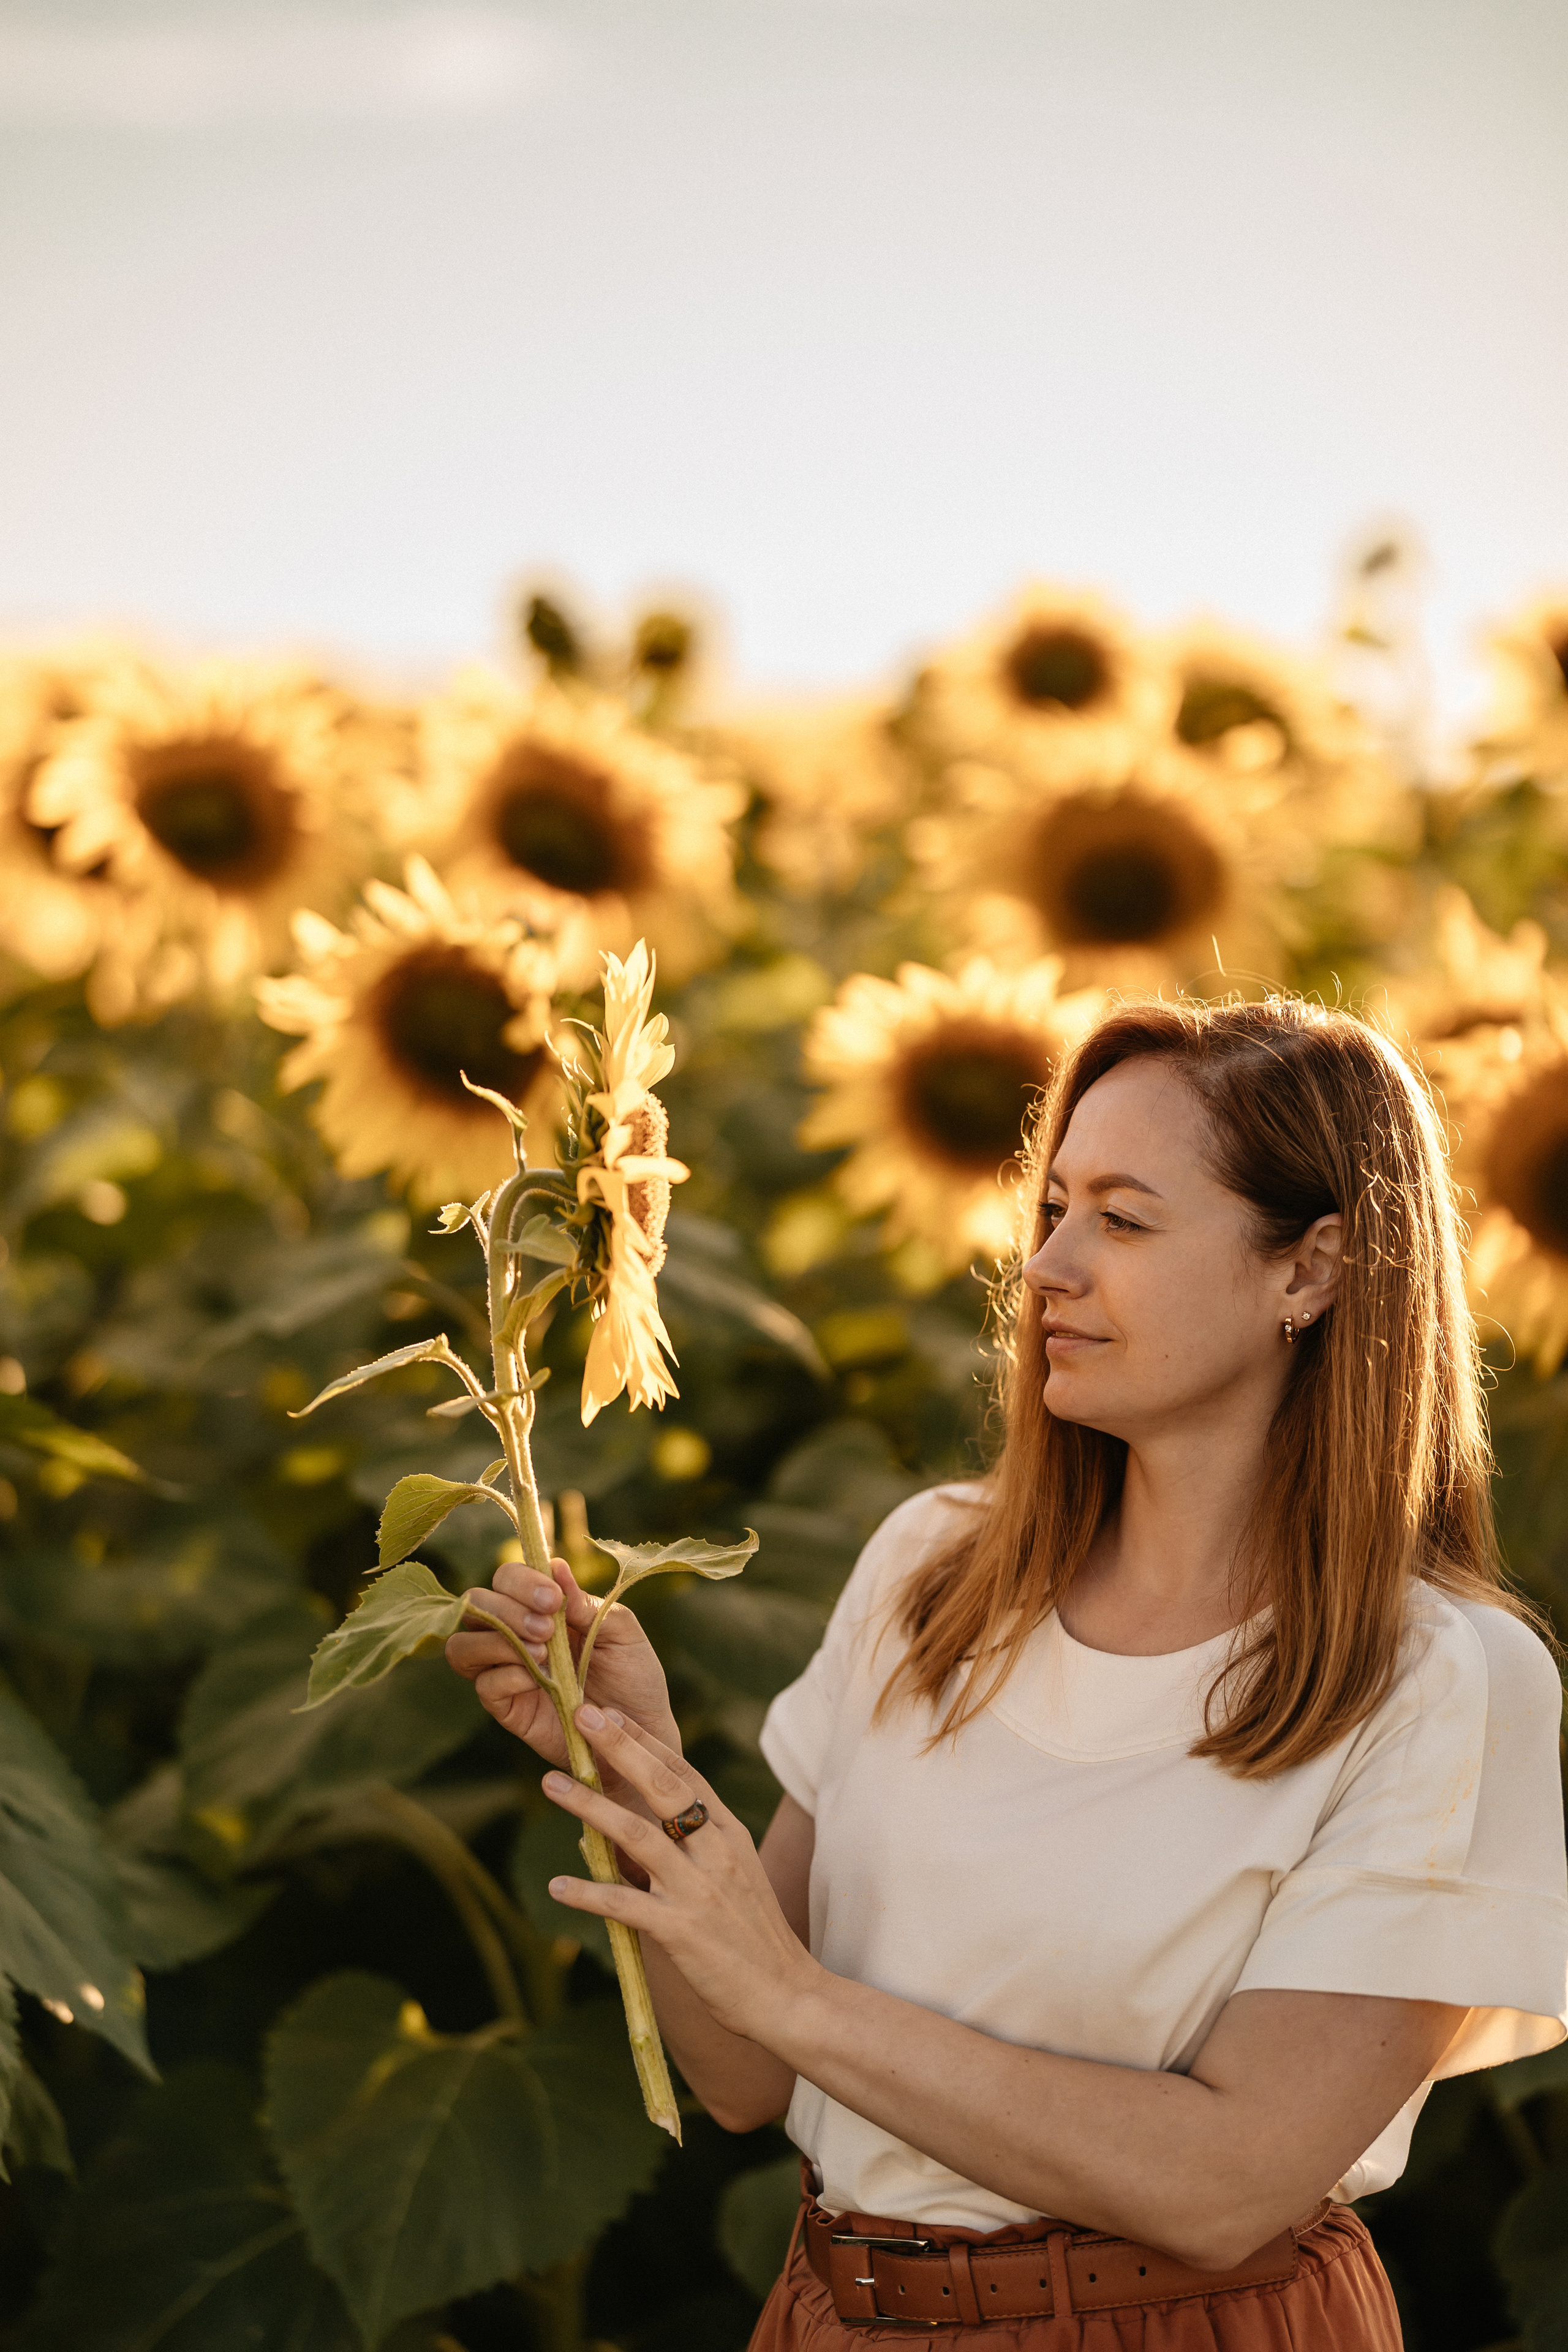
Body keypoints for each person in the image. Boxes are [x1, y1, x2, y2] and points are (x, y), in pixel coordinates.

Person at [447, 996, 1568, 2350]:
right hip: (836, 2314)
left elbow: (1224, 2187)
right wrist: (631, 1761)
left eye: (1123, 1220)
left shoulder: (1434, 1679)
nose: (1045, 1266)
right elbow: (744, 2071)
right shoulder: (934, 1573)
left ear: (1309, 1270)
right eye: (1051, 1210)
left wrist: (797, 1996)